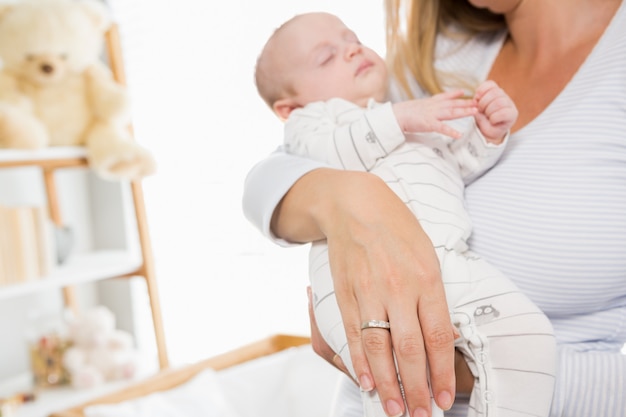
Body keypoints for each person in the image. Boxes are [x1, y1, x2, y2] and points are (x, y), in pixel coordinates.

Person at [243, 1, 626, 416]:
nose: (352, 51)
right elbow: (270, 177)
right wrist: (348, 195)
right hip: (375, 309)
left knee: (527, 335)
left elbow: (453, 161)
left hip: (458, 277)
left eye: (353, 41)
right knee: (388, 394)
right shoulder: (418, 66)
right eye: (327, 55)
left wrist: (489, 137)